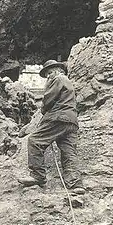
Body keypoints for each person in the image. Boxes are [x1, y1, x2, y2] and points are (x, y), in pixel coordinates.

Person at [18, 59, 84, 192]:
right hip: (71, 121)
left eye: (48, 73)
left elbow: (49, 98)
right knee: (68, 151)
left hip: (58, 117)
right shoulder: (68, 82)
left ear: (55, 71)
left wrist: (43, 111)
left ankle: (38, 176)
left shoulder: (57, 78)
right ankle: (75, 184)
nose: (48, 76)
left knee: (34, 140)